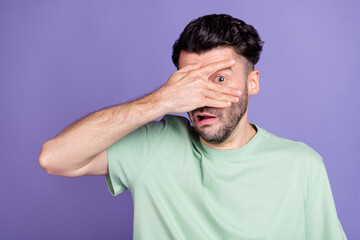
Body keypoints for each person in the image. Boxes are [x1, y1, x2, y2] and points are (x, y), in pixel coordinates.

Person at [39, 14, 347, 240]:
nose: (203, 97)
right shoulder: (155, 145)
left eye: (220, 80)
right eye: (191, 83)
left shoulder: (301, 165)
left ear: (252, 83)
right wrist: (159, 101)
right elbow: (54, 158)